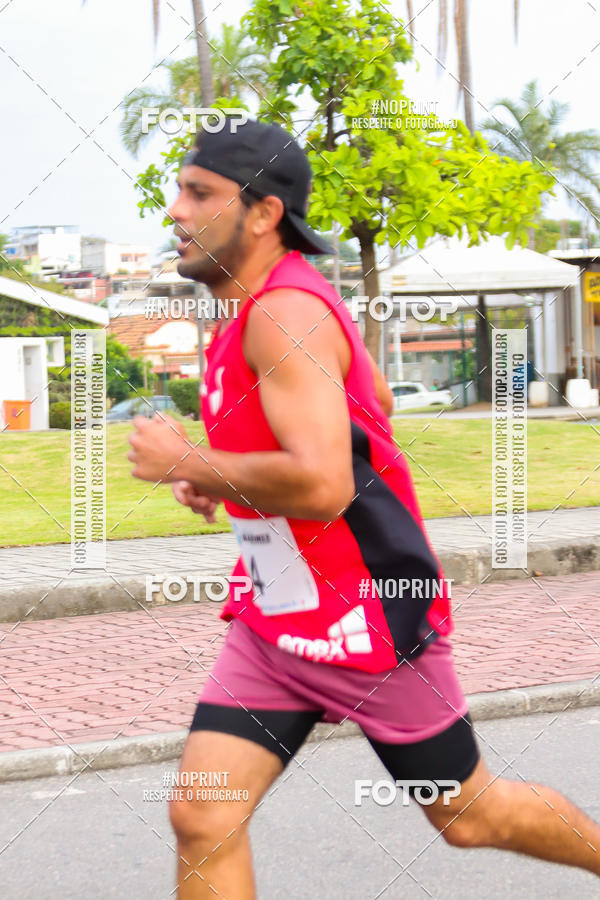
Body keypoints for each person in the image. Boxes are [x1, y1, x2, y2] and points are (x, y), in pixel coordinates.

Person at [127, 119, 600, 899]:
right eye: (180, 189)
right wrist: (224, 477)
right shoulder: (251, 309)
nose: (175, 209)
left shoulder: (287, 314)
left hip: (366, 615)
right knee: (202, 815)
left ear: (263, 213)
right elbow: (371, 404)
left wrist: (189, 460)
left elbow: (324, 484)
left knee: (468, 815)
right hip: (278, 616)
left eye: (198, 192)